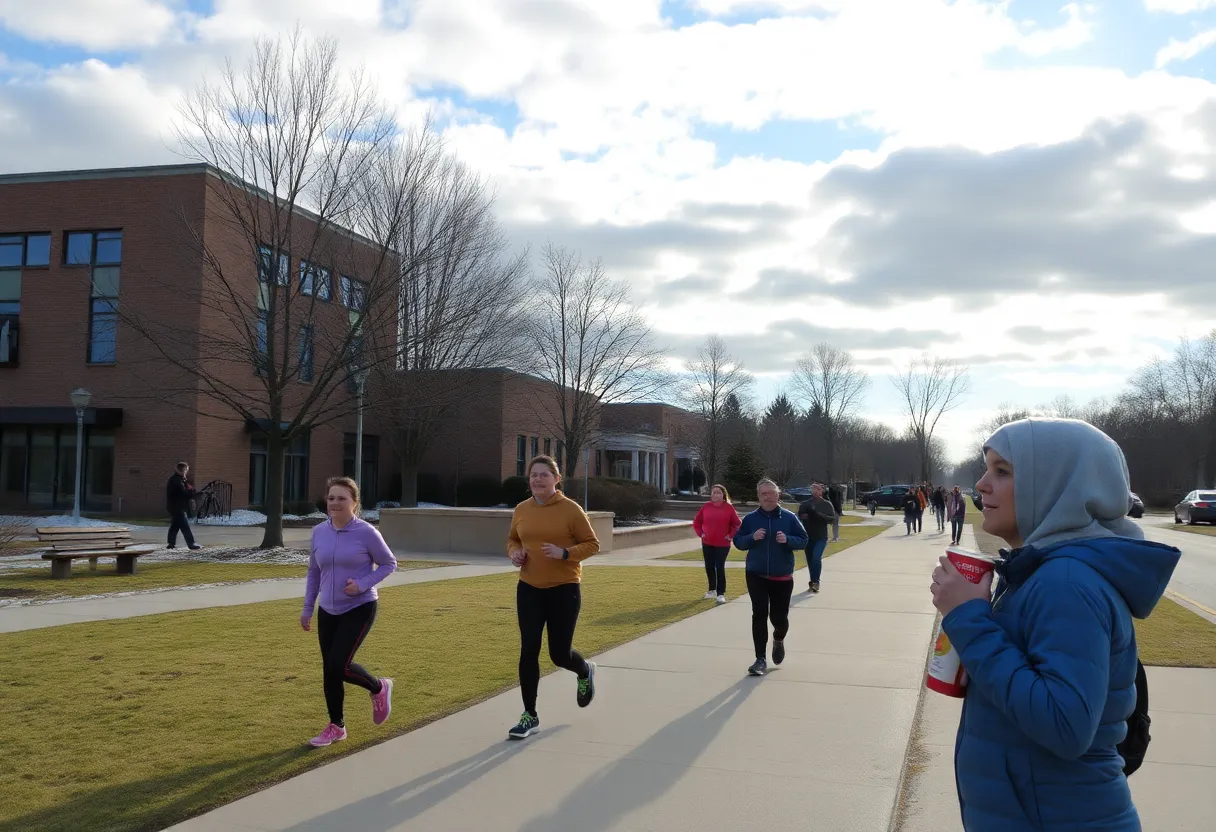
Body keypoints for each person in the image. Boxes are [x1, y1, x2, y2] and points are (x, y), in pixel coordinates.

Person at [930, 418, 1180, 831]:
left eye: (1002, 471)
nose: (981, 484)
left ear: (1056, 486)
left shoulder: (1065, 582)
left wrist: (968, 619)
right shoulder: (1039, 573)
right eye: (986, 468)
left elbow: (1065, 725)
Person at [506, 455, 600, 740]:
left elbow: (593, 544)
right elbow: (514, 539)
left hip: (564, 588)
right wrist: (514, 553)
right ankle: (529, 715)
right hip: (529, 588)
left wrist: (565, 553)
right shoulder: (521, 509)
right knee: (528, 649)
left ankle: (584, 670)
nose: (537, 479)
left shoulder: (571, 509)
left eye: (544, 475)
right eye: (533, 475)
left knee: (559, 654)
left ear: (556, 479)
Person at [300, 476, 397, 748]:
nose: (334, 503)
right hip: (327, 610)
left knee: (338, 664)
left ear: (354, 503)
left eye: (341, 498)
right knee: (329, 671)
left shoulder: (366, 532)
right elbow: (314, 572)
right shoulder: (320, 531)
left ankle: (379, 687)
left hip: (360, 606)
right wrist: (308, 607)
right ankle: (336, 726)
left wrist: (362, 584)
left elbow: (389, 563)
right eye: (331, 498)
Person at [734, 478, 808, 676]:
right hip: (756, 574)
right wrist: (752, 537)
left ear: (778, 495)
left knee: (779, 618)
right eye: (762, 494)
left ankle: (779, 639)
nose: (766, 497)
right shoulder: (750, 519)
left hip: (781, 576)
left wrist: (787, 540)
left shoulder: (790, 518)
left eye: (770, 493)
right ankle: (760, 659)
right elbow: (738, 542)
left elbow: (804, 540)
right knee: (759, 613)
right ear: (758, 496)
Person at [693, 483, 742, 604]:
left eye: (718, 492)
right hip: (707, 542)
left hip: (722, 544)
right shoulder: (706, 507)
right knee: (709, 566)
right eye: (714, 492)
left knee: (719, 567)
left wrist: (730, 535)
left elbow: (737, 523)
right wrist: (701, 533)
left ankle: (721, 593)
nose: (715, 494)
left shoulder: (729, 508)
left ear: (723, 495)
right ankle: (712, 590)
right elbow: (697, 522)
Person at [797, 483, 836, 594]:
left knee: (816, 558)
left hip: (821, 537)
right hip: (808, 536)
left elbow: (832, 519)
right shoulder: (805, 504)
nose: (816, 491)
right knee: (810, 560)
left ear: (822, 491)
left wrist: (818, 515)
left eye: (818, 489)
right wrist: (806, 515)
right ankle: (813, 581)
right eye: (813, 489)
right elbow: (800, 516)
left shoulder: (826, 504)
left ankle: (816, 582)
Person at [165, 462, 202, 550]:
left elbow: (185, 491)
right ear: (183, 470)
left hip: (174, 506)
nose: (186, 472)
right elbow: (184, 493)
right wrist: (195, 494)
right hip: (177, 507)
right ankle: (191, 544)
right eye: (186, 470)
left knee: (175, 525)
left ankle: (171, 543)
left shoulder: (178, 479)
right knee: (185, 526)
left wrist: (192, 492)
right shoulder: (177, 481)